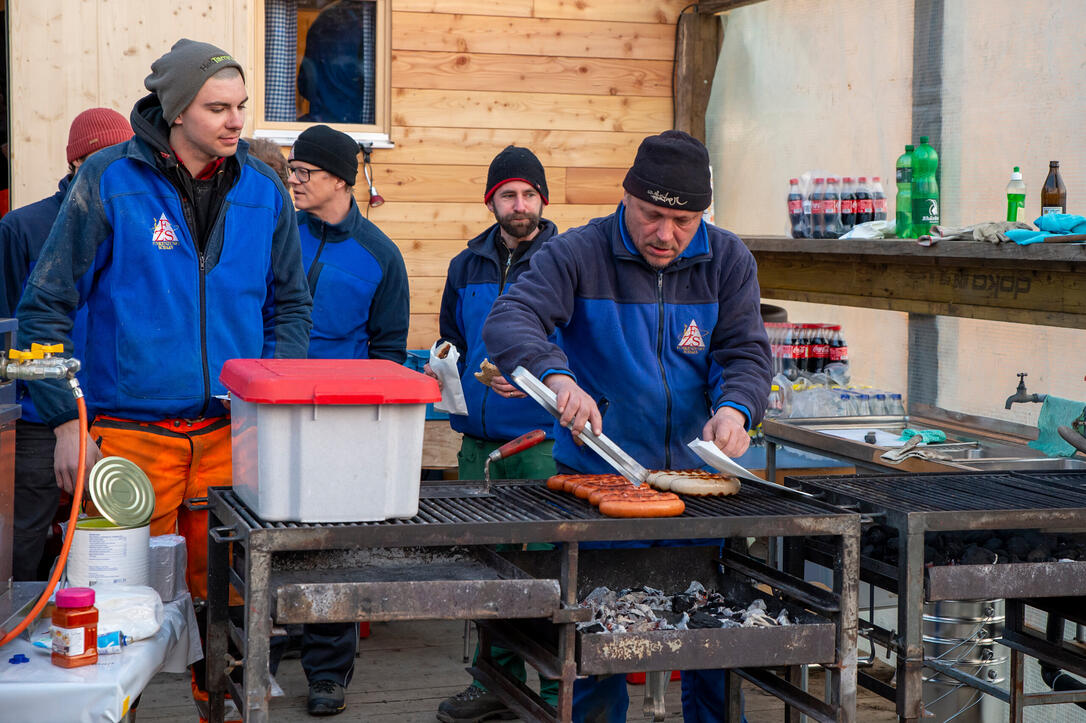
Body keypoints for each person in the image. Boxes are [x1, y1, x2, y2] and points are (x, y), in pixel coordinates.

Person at [16, 38, 313, 717]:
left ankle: (225, 708)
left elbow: (291, 304)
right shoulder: (109, 181)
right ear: (176, 112)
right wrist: (66, 418)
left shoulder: (263, 192)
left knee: (231, 609)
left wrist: (274, 398)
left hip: (228, 438)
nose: (236, 121)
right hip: (127, 440)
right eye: (218, 108)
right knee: (120, 615)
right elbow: (43, 307)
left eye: (241, 106)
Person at [482, 130, 773, 722]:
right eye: (651, 215)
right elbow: (509, 319)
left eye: (683, 220)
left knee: (711, 644)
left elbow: (746, 353)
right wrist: (557, 377)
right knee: (597, 651)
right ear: (627, 198)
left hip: (696, 492)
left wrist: (737, 408)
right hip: (601, 485)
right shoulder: (578, 254)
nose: (665, 234)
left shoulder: (728, 260)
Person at [268, 124, 409, 717]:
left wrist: (368, 424)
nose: (293, 180)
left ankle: (328, 673)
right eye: (291, 170)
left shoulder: (381, 256)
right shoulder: (280, 235)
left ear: (338, 180)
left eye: (304, 172)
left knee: (336, 547)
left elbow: (390, 351)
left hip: (343, 422)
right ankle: (262, 657)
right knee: (268, 540)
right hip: (274, 412)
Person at [429, 146, 562, 723]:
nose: (520, 205)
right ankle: (497, 687)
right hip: (478, 444)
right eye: (509, 194)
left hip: (540, 444)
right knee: (486, 574)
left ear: (543, 201)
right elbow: (450, 338)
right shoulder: (466, 265)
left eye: (530, 194)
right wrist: (443, 367)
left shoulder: (565, 260)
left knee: (547, 576)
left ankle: (559, 694)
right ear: (492, 202)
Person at [0, 108, 133, 582]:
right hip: (40, 417)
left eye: (119, 160)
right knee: (22, 538)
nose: (107, 173)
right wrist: (43, 409)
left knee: (119, 540)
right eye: (98, 160)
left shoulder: (135, 227)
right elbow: (13, 326)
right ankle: (17, 635)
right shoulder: (23, 228)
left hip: (120, 413)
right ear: (75, 163)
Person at [297, 0, 375, 124]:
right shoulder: (372, 20)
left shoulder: (325, 17)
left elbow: (304, 84)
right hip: (357, 122)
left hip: (321, 120)